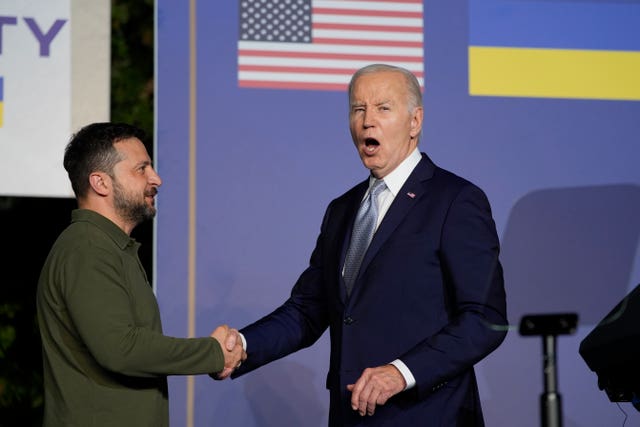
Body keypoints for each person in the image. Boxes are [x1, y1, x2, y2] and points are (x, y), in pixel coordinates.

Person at [230, 64, 508, 426]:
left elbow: (484, 319)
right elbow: (307, 310)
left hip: (428, 415)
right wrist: (241, 345)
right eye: (358, 109)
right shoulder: (341, 210)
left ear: (415, 121)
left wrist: (401, 372)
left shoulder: (455, 201)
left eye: (383, 108)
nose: (367, 121)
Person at [36, 122, 245, 427]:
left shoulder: (107, 248)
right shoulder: (87, 249)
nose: (156, 178)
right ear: (101, 183)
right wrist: (212, 353)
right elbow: (121, 349)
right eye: (141, 169)